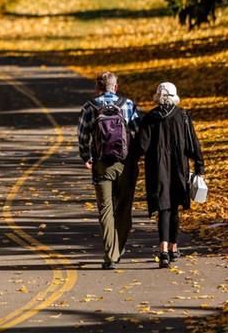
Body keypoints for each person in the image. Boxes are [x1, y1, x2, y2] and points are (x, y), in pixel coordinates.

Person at [77, 71, 141, 269]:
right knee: (124, 208)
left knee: (106, 210)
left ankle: (110, 255)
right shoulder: (128, 105)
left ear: (97, 88)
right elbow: (138, 132)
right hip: (126, 163)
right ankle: (117, 249)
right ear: (116, 86)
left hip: (102, 163)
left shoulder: (90, 107)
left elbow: (83, 135)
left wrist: (86, 157)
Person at [139, 82, 205, 268]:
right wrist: (199, 166)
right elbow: (193, 144)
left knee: (163, 208)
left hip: (158, 169)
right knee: (174, 208)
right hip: (178, 168)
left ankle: (163, 249)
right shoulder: (182, 116)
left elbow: (142, 146)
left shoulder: (150, 117)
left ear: (157, 96)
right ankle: (174, 248)